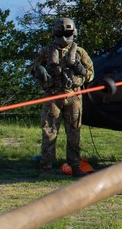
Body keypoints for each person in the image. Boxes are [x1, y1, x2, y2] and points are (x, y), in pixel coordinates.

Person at [28, 18, 94, 177]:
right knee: (49, 133)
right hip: (52, 97)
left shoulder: (80, 52)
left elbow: (91, 74)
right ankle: (46, 168)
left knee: (74, 134)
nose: (64, 38)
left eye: (67, 33)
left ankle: (75, 166)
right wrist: (39, 70)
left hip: (73, 98)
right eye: (60, 33)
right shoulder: (45, 51)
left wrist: (81, 70)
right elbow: (31, 68)